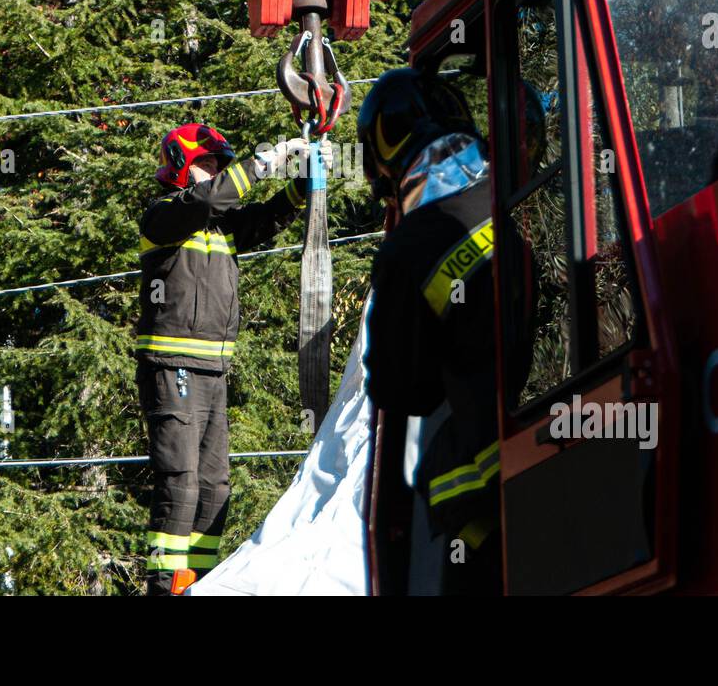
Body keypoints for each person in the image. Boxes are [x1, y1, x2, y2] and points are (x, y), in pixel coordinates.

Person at [357, 68, 526, 594]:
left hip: (484, 476)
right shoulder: (510, 199)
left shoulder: (409, 250)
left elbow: (399, 390)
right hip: (553, 450)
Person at [136, 122, 322, 596]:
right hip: (171, 365)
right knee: (181, 484)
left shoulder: (218, 226)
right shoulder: (163, 215)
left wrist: (301, 186)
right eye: (206, 165)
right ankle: (164, 587)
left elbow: (262, 218)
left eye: (219, 166)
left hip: (212, 370)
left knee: (215, 487)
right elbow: (207, 201)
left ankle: (197, 583)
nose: (214, 174)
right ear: (179, 166)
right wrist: (265, 161)